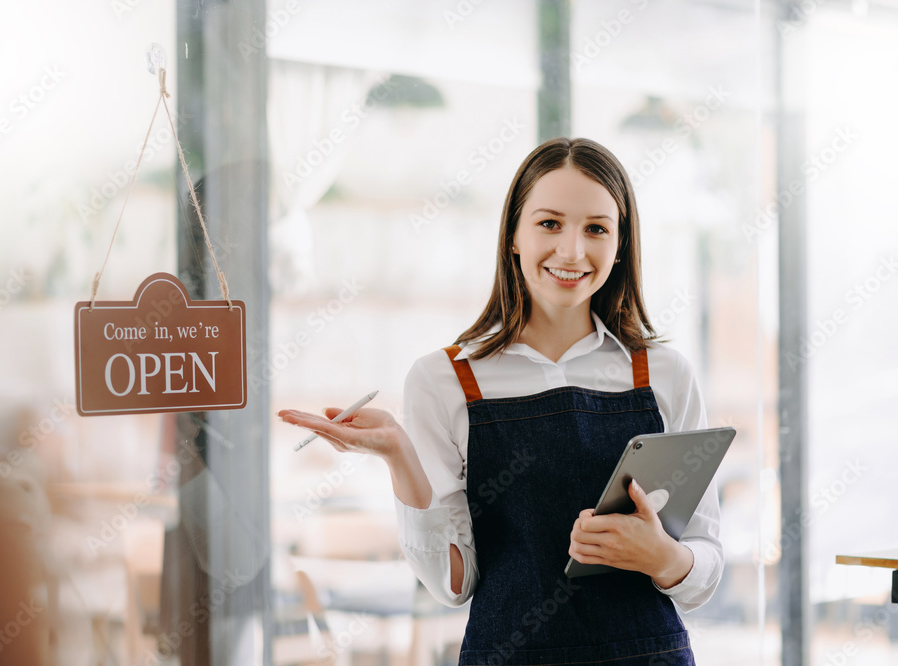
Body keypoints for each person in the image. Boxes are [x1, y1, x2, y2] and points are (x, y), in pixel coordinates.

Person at [279, 137, 722, 665]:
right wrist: (398, 452)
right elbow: (453, 584)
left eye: (597, 229)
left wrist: (662, 557)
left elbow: (705, 568)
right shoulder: (444, 379)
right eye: (550, 223)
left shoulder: (663, 375)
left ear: (621, 245)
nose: (572, 251)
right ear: (513, 234)